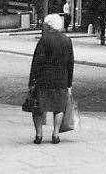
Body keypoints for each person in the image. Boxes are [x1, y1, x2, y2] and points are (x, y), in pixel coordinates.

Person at [28, 13, 74, 144]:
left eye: (45, 25)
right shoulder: (67, 40)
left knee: (38, 107)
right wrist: (69, 83)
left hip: (44, 79)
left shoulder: (44, 40)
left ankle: (39, 135)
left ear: (49, 26)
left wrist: (32, 80)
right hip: (61, 79)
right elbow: (70, 63)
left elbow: (37, 61)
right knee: (59, 108)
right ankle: (55, 134)